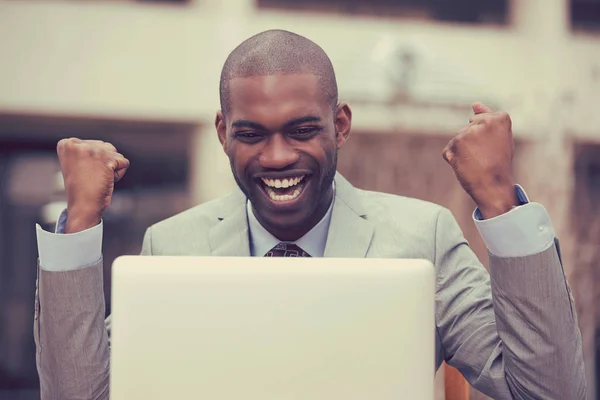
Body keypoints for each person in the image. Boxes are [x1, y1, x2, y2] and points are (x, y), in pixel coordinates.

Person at [34, 30, 585, 400]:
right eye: (251, 134)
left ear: (340, 125)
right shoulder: (171, 246)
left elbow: (549, 390)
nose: (277, 157)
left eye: (302, 130)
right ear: (224, 133)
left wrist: (498, 201)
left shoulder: (423, 235)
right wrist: (80, 225)